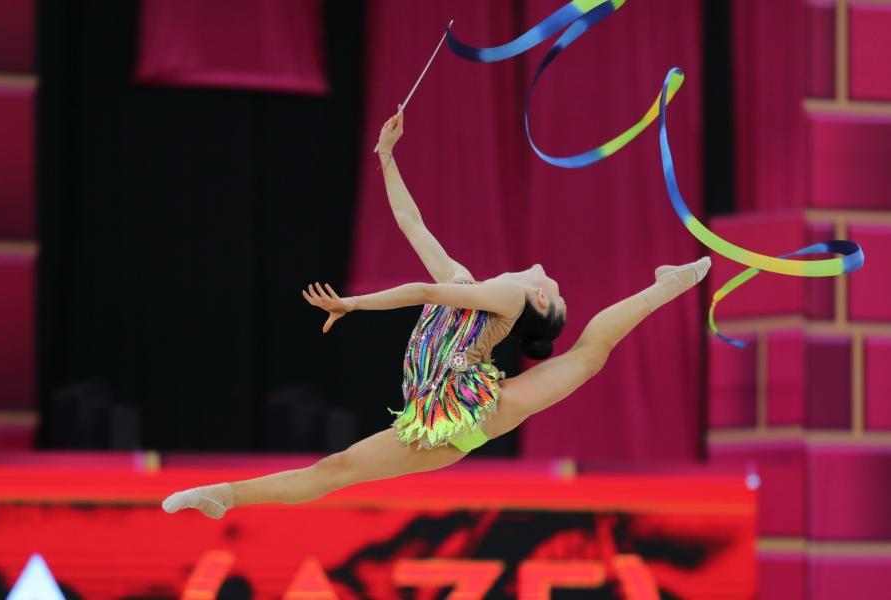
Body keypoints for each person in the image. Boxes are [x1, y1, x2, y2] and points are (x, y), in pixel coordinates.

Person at [162, 109, 710, 519]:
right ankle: (224, 496)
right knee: (334, 471)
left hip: (469, 405)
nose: (549, 273)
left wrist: (354, 302)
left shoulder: (507, 299)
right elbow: (411, 222)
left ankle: (671, 283)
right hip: (429, 418)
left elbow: (421, 288)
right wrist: (386, 156)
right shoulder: (466, 279)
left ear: (539, 301)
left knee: (590, 357)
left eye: (556, 288)